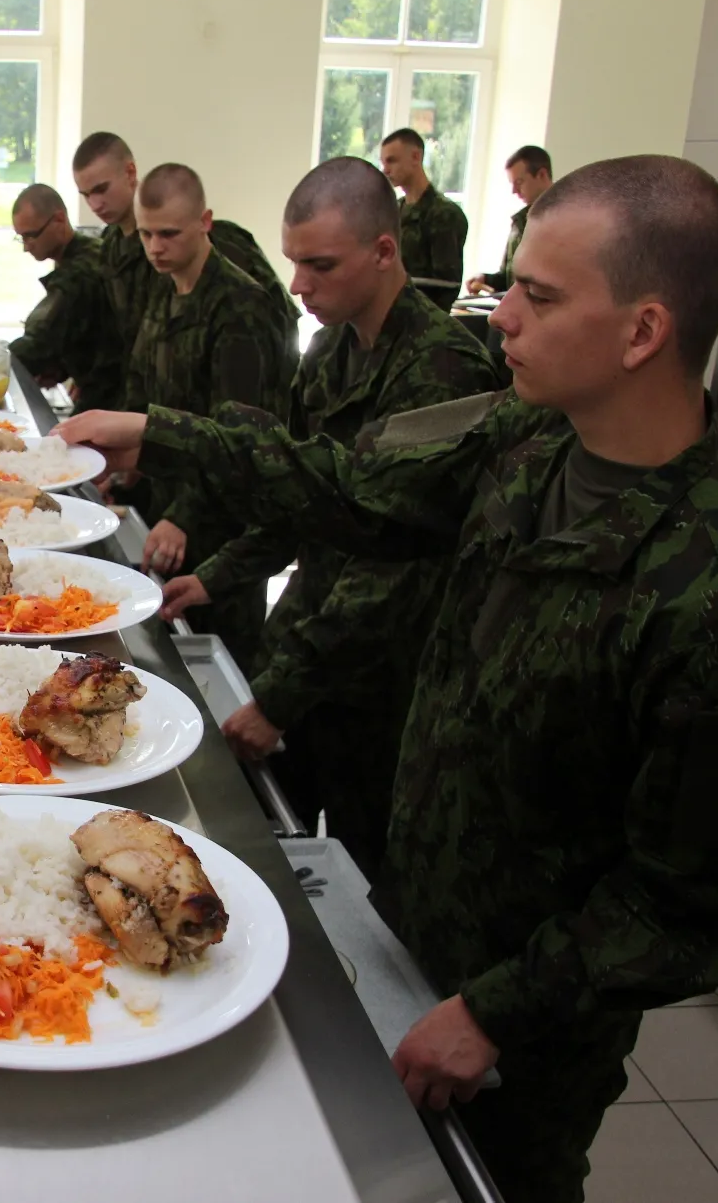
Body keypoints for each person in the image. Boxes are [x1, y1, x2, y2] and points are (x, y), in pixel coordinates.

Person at [57, 155, 718, 1202]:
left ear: (641, 332)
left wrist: (494, 1012)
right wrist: (157, 429)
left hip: (524, 1024)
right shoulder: (529, 439)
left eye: (537, 296)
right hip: (412, 916)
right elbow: (357, 488)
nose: (499, 315)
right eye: (509, 283)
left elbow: (701, 900)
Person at [158, 157, 499, 882]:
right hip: (313, 651)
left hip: (383, 682)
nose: (299, 286)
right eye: (294, 263)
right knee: (285, 846)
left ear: (383, 252)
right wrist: (214, 578)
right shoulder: (333, 351)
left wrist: (279, 698)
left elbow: (392, 572)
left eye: (320, 265)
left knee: (370, 868)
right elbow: (302, 496)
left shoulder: (444, 372)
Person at [121, 161, 299, 660]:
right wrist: (124, 465)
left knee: (217, 658)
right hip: (165, 505)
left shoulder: (241, 307)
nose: (155, 247)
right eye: (146, 234)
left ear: (205, 222)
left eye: (169, 234)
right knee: (159, 651)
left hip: (224, 526)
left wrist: (184, 516)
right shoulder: (165, 285)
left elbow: (238, 441)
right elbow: (144, 389)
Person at [71, 131, 287, 361]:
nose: (94, 204)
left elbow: (276, 318)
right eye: (86, 195)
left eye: (102, 189)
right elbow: (121, 339)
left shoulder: (219, 240)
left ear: (130, 173)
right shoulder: (111, 247)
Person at [5, 183, 123, 410]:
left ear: (59, 219)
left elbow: (37, 344)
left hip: (107, 396)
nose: (26, 247)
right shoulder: (92, 249)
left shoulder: (79, 273)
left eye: (31, 236)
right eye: (21, 238)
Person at [381, 127, 469, 311]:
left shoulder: (443, 214)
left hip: (423, 321)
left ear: (415, 157)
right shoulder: (393, 210)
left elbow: (446, 286)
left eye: (392, 161)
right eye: (384, 162)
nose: (386, 170)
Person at [468, 146, 554, 295]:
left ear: (541, 175)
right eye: (512, 183)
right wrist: (485, 280)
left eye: (519, 182)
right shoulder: (520, 222)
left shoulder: (565, 220)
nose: (514, 191)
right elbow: (509, 279)